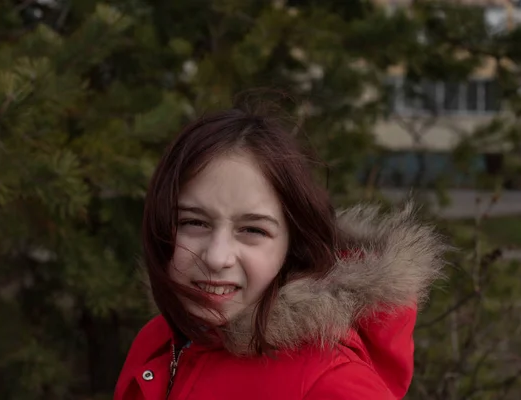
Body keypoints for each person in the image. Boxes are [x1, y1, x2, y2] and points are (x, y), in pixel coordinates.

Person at [114, 106, 447, 400]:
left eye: (253, 230)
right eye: (194, 222)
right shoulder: (158, 338)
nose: (216, 258)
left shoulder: (327, 379)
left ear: (293, 245)